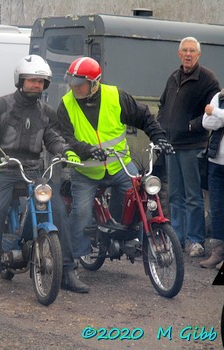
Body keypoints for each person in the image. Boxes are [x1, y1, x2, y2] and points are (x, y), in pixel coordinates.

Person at [0, 54, 89, 295]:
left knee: (57, 210)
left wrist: (66, 152)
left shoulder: (47, 112)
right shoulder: (0, 105)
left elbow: (53, 137)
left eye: (41, 81)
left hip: (34, 170)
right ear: (20, 80)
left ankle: (67, 271)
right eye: (32, 80)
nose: (36, 85)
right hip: (4, 169)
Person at [57, 56, 173, 262]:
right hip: (85, 171)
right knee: (81, 212)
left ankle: (120, 235)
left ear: (94, 83)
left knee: (137, 197)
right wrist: (87, 150)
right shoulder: (66, 104)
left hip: (119, 165)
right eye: (72, 84)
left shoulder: (115, 96)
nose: (75, 89)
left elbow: (144, 116)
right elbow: (66, 138)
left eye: (80, 84)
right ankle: (74, 257)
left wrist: (159, 138)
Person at [157, 37, 221, 257]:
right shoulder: (173, 77)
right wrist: (161, 128)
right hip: (171, 146)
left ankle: (195, 241)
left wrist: (191, 126)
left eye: (192, 51)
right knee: (174, 194)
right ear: (178, 53)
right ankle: (177, 238)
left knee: (193, 196)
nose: (188, 54)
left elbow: (211, 111)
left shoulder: (208, 79)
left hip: (193, 146)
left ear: (199, 54)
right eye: (184, 50)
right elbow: (163, 104)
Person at [200, 89, 224, 269]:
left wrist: (214, 112)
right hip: (215, 161)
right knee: (216, 208)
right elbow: (206, 123)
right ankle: (217, 251)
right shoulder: (220, 96)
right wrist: (216, 117)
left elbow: (212, 115)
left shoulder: (217, 102)